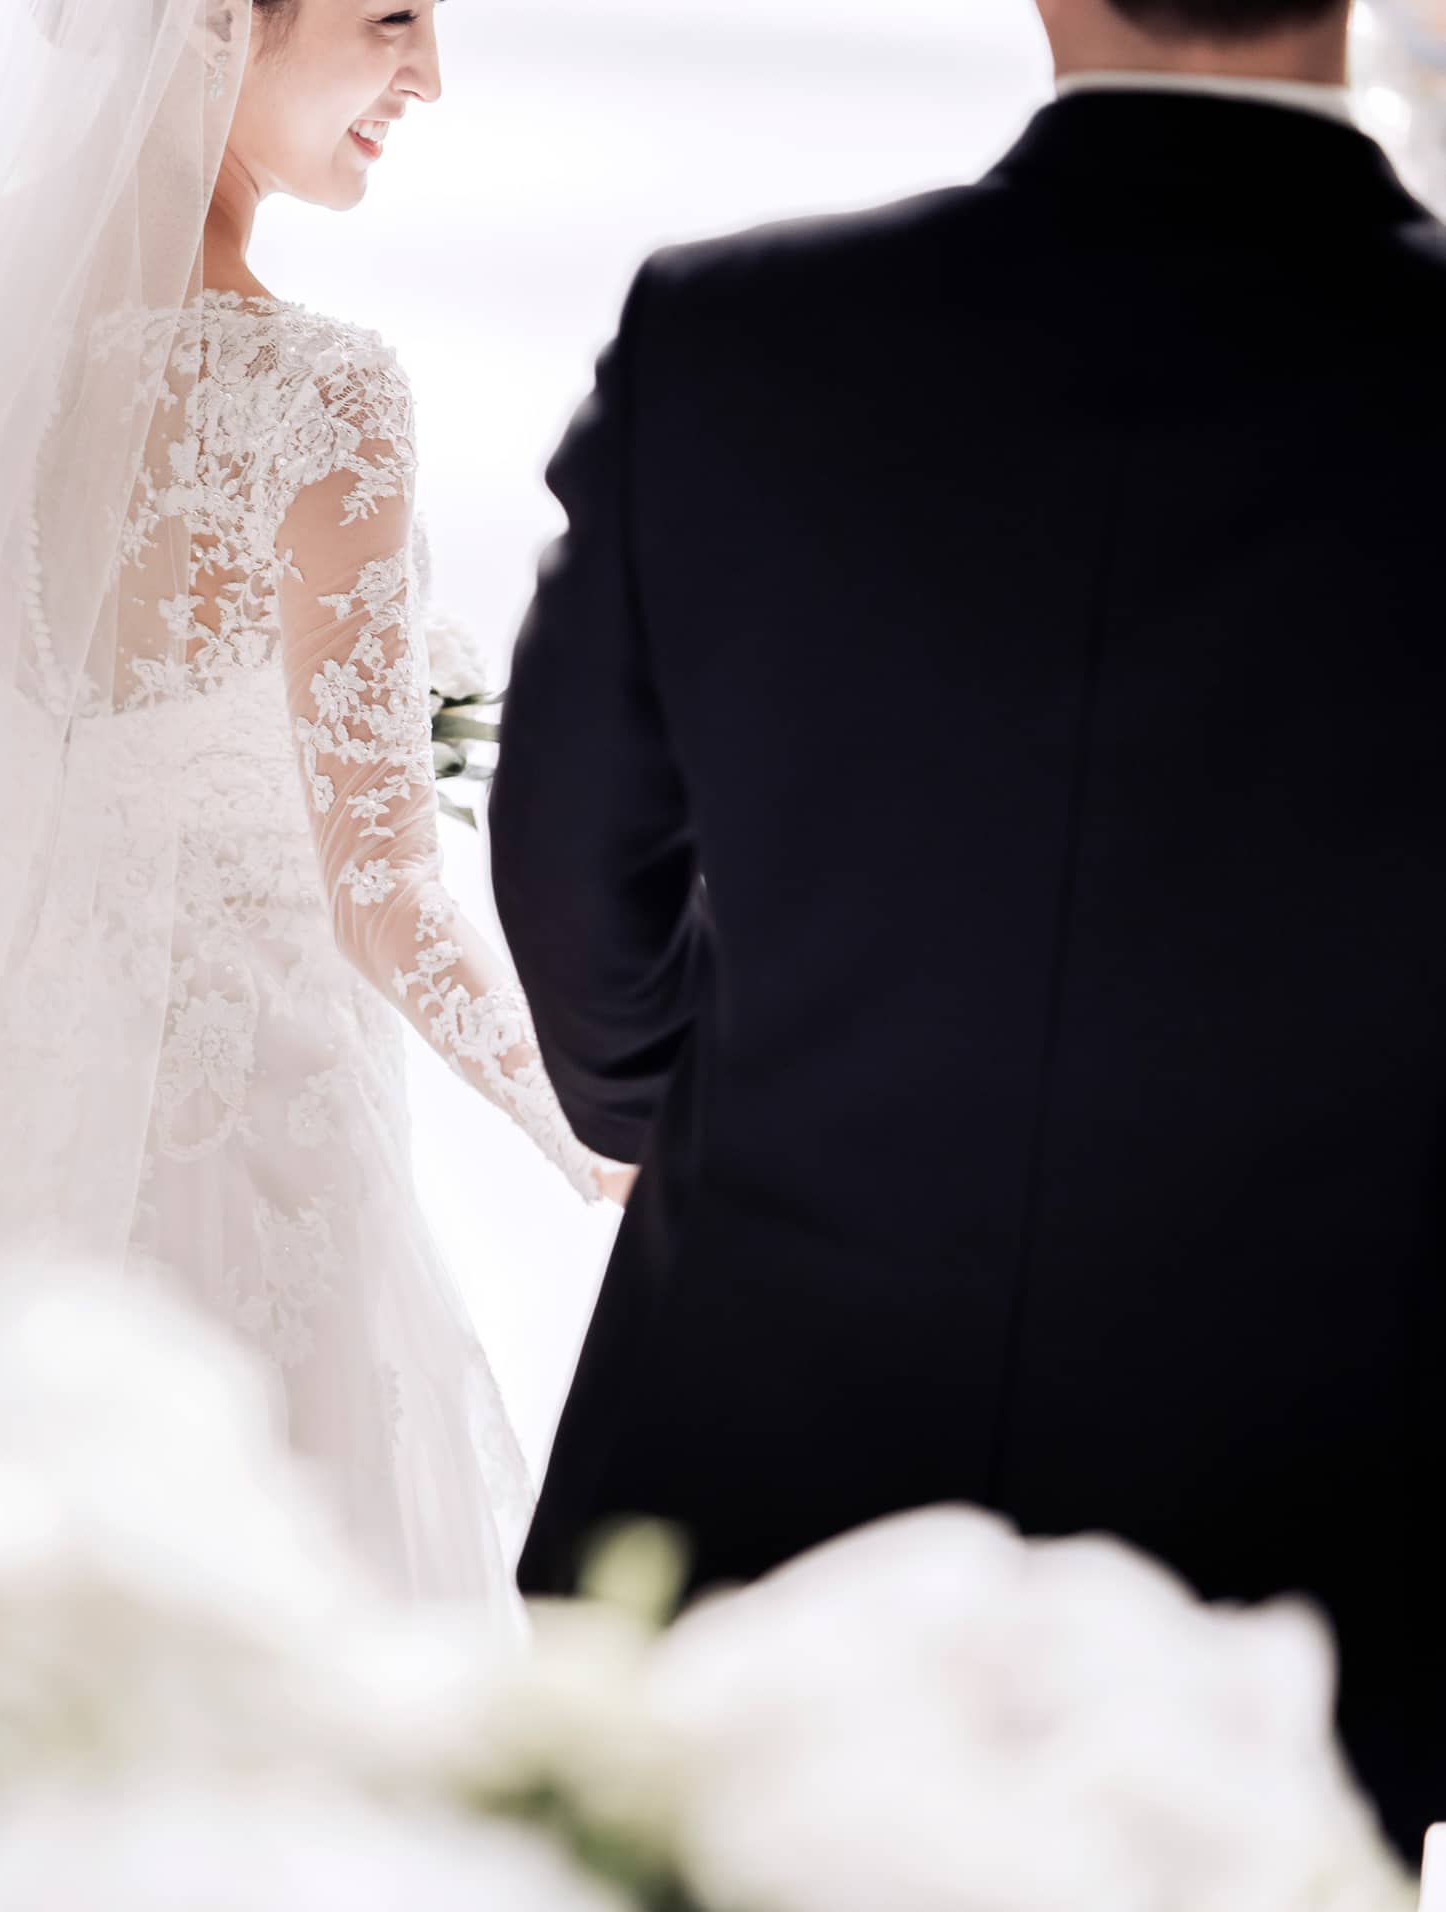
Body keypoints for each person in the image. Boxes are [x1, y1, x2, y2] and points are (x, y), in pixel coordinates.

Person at [491, 0, 1446, 1855]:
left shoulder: (733, 329)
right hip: (1308, 1478)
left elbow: (569, 852)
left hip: (765, 1411)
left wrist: (683, 1117)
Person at [0, 0, 629, 1619]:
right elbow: (383, 894)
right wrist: (594, 1129)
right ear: (217, 26)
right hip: (246, 1129)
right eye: (392, 16)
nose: (432, 73)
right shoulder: (316, 393)